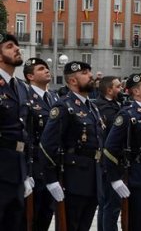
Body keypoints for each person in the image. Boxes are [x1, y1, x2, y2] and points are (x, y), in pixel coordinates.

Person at [40, 61, 103, 231]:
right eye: (84, 73)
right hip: (72, 179)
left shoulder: (92, 107)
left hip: (92, 178)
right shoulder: (64, 105)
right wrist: (51, 180)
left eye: (89, 71)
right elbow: (47, 145)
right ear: (73, 81)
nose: (90, 75)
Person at [103, 73, 141, 231]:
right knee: (136, 224)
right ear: (135, 92)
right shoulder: (128, 114)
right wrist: (115, 179)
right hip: (137, 177)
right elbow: (110, 149)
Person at [0, 33, 30, 231]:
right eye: (10, 46)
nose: (17, 49)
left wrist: (27, 171)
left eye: (17, 46)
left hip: (17, 167)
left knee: (16, 222)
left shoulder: (20, 87)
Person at [22, 57, 56, 231]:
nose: (47, 70)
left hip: (51, 165)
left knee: (46, 213)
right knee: (30, 216)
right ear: (30, 76)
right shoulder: (26, 97)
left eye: (47, 68)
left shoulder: (53, 98)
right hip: (34, 164)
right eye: (41, 69)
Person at [95, 75, 123, 231]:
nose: (121, 89)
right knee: (111, 204)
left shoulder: (115, 105)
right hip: (108, 159)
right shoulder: (104, 107)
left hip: (113, 159)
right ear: (109, 89)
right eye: (118, 86)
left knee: (108, 204)